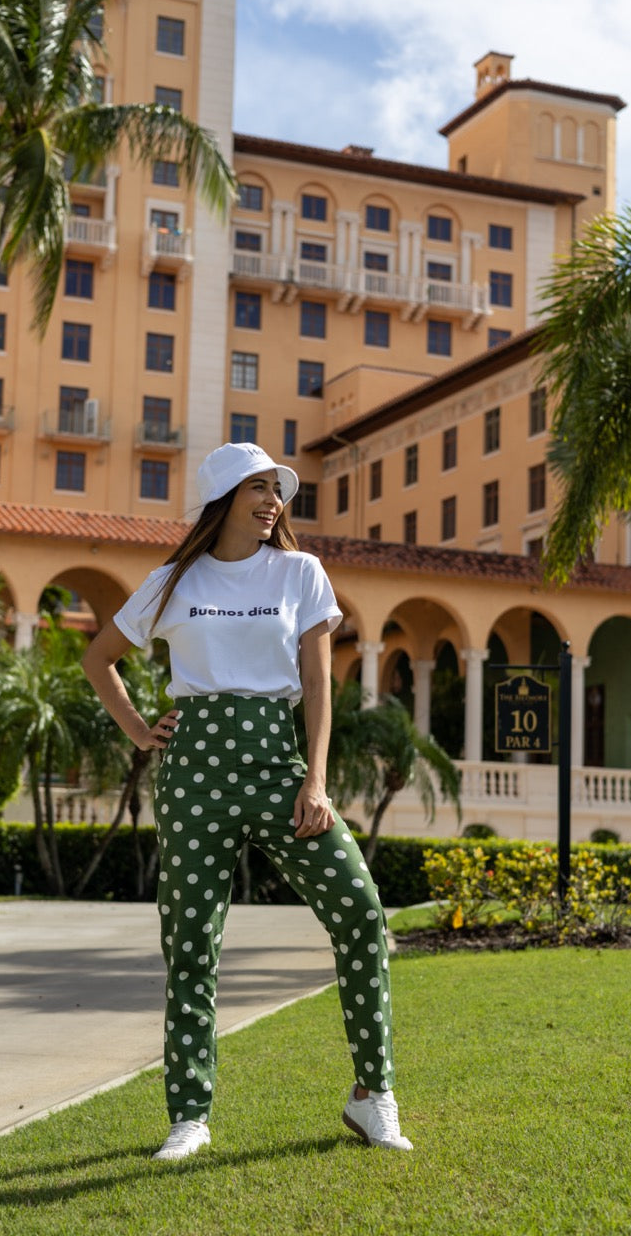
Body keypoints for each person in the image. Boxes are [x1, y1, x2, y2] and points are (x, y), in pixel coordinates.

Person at [82, 442, 412, 1160]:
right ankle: (189, 1114)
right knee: (191, 941)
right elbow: (97, 657)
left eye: (276, 491)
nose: (272, 502)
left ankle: (371, 1095)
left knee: (358, 909)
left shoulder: (300, 572)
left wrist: (315, 781)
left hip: (276, 761)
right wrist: (141, 731)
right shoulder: (173, 581)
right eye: (257, 489)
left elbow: (319, 687)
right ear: (224, 498)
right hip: (193, 765)